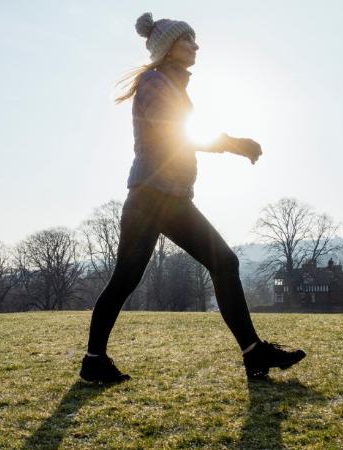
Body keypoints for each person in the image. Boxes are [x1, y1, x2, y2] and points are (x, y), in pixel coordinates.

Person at [80, 12, 306, 383]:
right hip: (154, 197)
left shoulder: (171, 85)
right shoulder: (155, 83)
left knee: (206, 266)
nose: (196, 45)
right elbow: (175, 134)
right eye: (188, 40)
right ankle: (252, 353)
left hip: (166, 198)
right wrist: (233, 144)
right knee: (155, 275)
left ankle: (252, 353)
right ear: (169, 49)